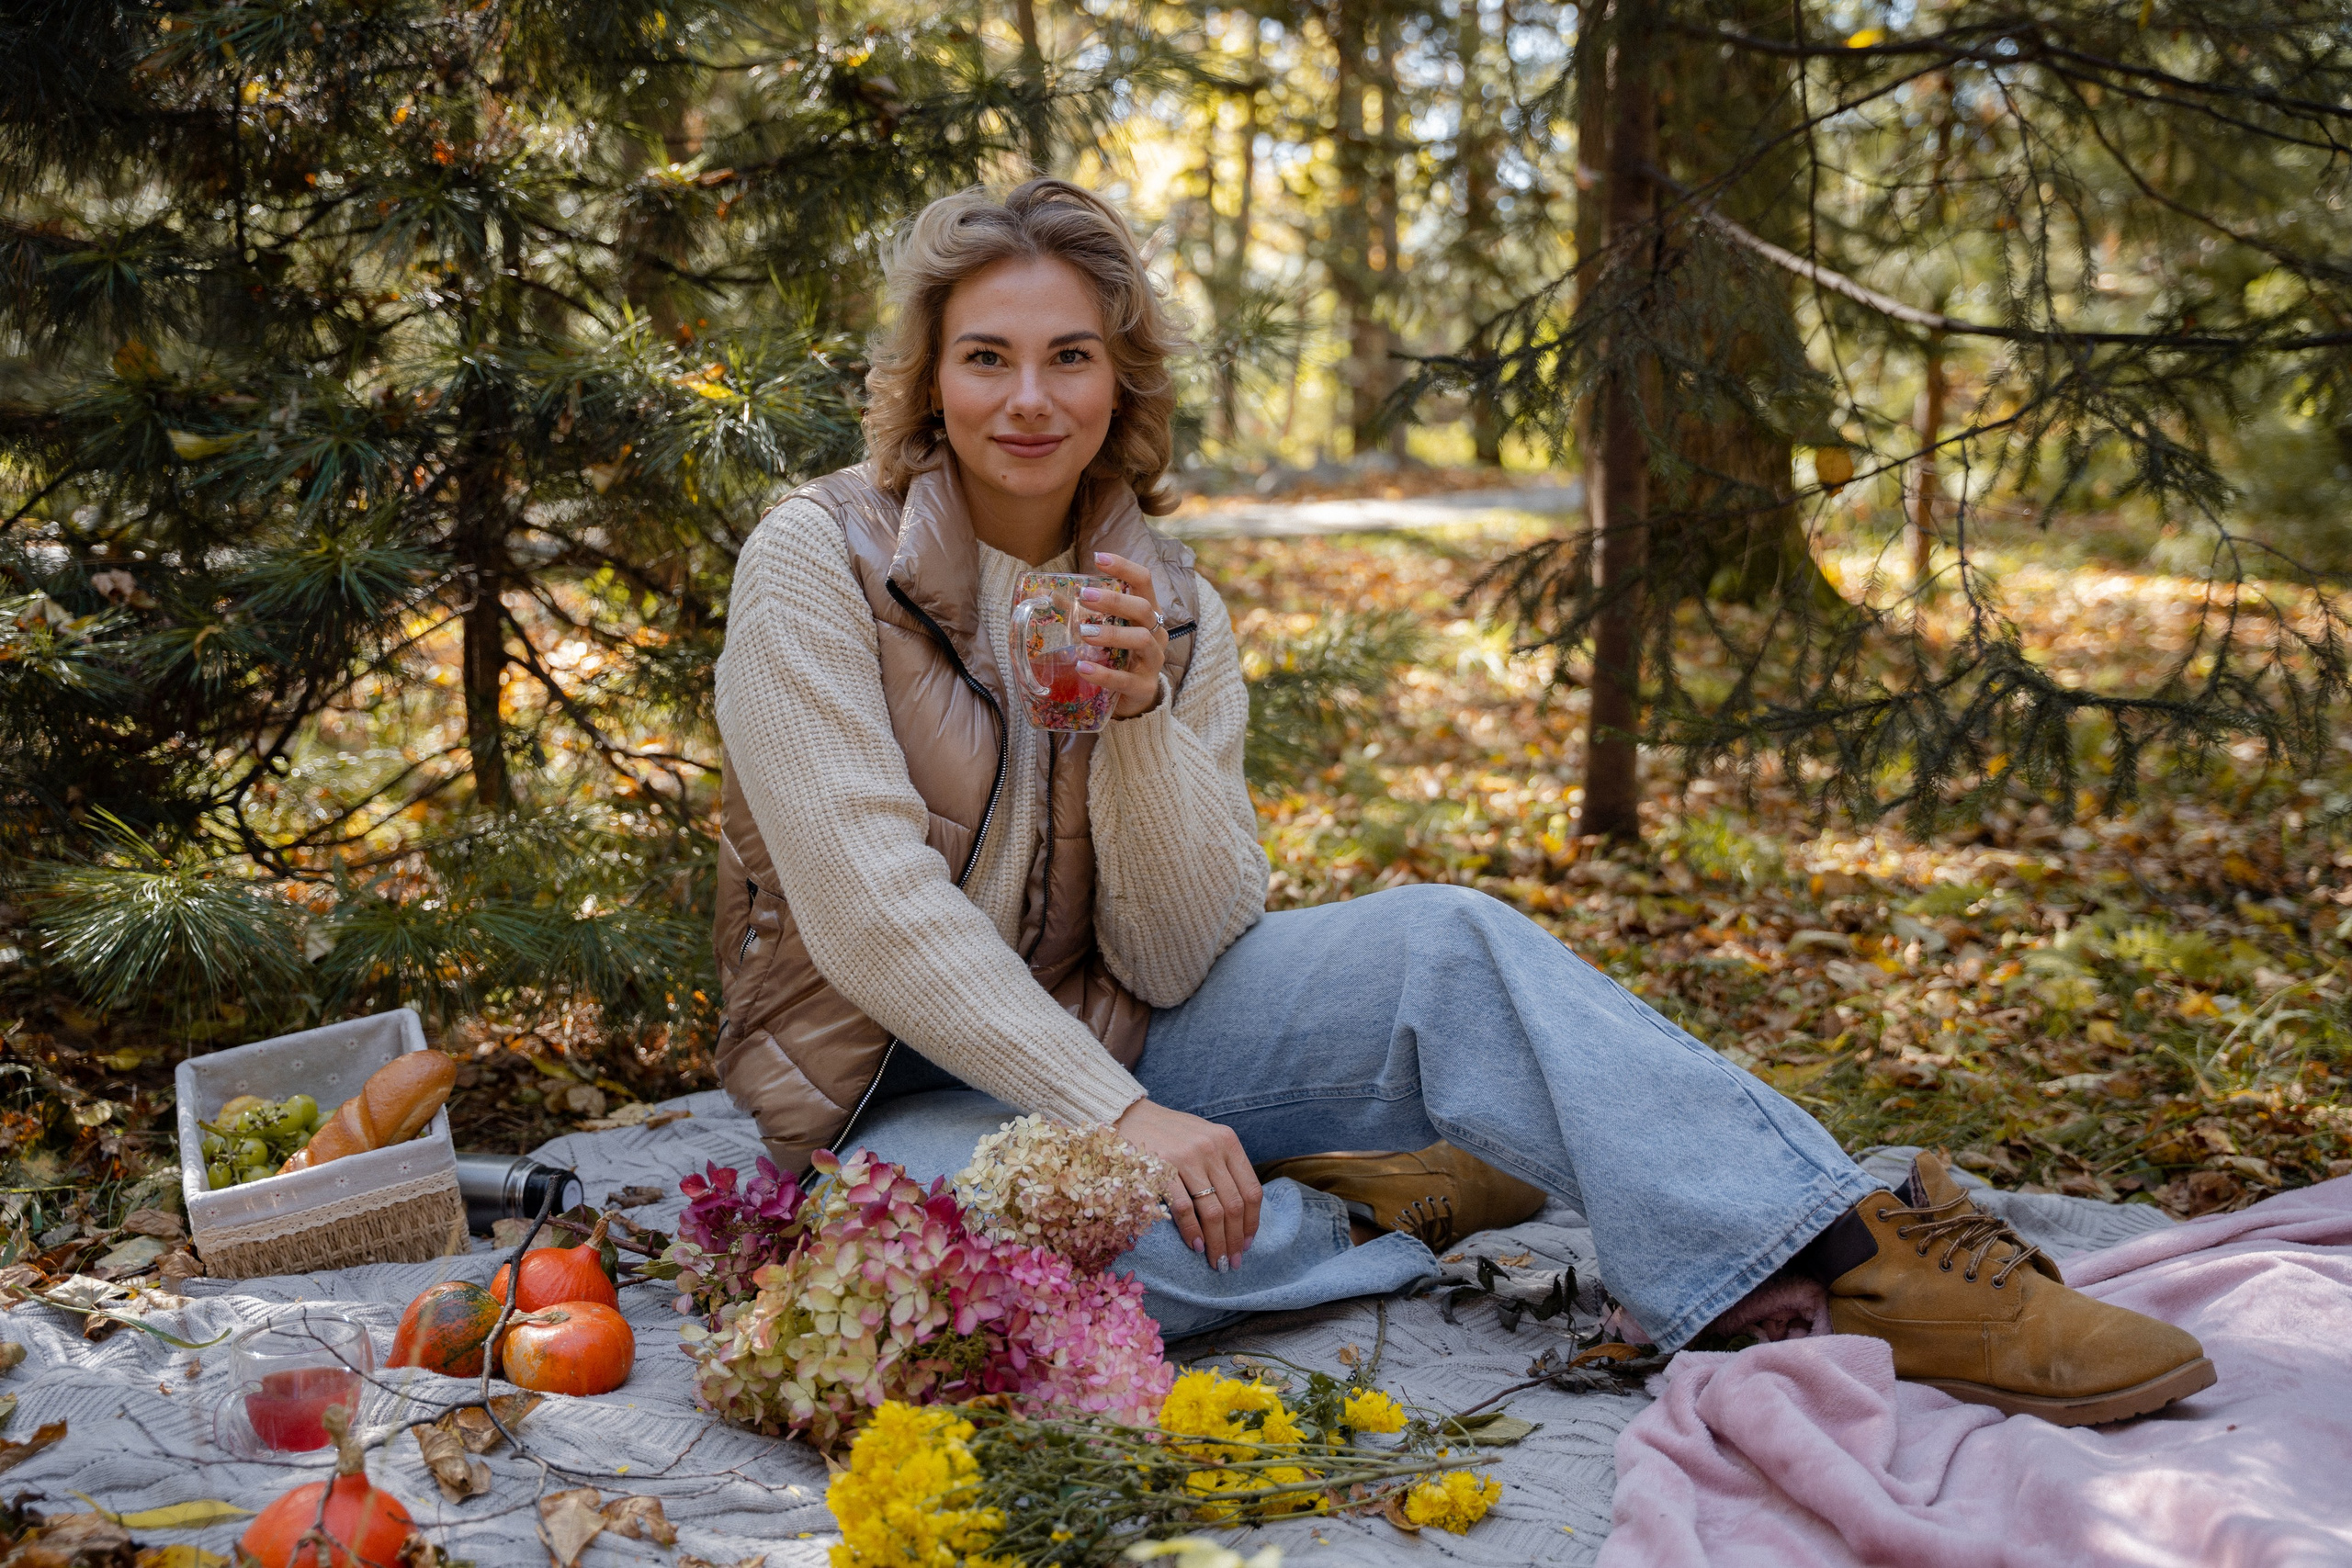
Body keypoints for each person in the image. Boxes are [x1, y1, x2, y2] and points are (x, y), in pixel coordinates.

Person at [710, 177, 2213, 1427]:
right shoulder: (814, 562)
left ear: (1123, 380)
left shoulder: (1172, 605)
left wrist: (1147, 723)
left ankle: (1843, 1249)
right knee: (1022, 1261)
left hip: (1125, 1028)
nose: (1029, 400)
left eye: (1072, 357)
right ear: (927, 378)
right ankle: (1385, 1208)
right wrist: (1125, 1121)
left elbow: (1179, 956)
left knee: (1451, 939)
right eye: (987, 357)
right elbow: (870, 908)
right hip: (885, 1093)